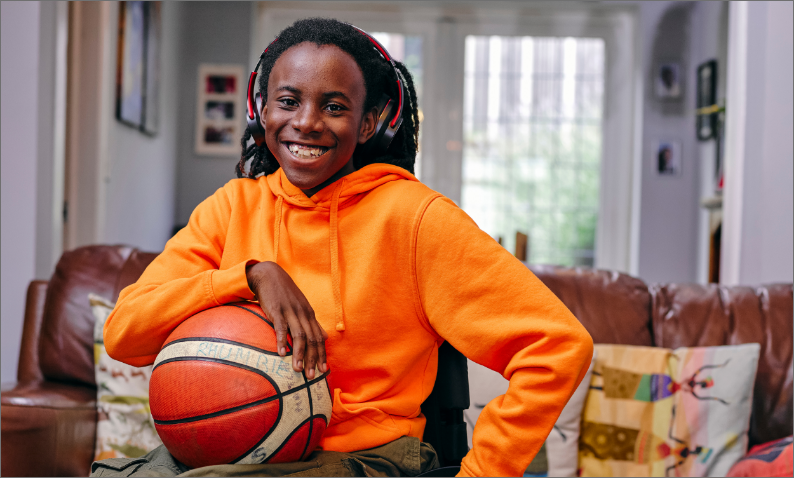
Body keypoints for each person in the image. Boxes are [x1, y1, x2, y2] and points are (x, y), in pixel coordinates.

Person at [95, 18, 593, 477]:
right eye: (288, 101)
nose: (307, 122)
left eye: (334, 107)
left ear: (370, 122)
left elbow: (557, 346)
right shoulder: (231, 209)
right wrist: (249, 276)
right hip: (231, 447)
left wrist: (481, 474)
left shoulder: (415, 218)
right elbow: (125, 335)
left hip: (364, 458)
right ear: (261, 109)